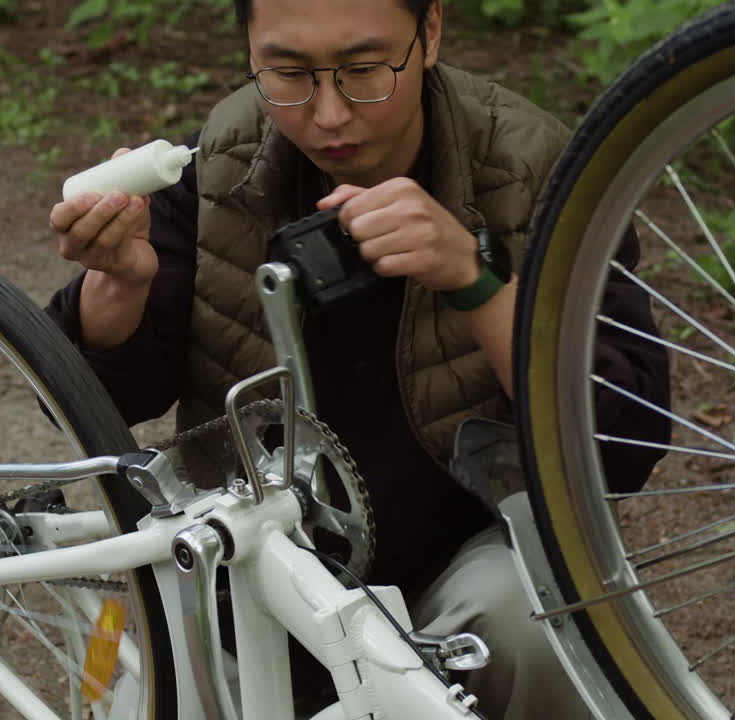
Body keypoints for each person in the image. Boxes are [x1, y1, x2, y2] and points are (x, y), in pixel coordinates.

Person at [45, 0, 670, 716]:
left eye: (364, 70)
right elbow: (89, 404)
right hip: (256, 575)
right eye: (288, 73)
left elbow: (621, 445)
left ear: (429, 31)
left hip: (468, 571)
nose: (330, 114)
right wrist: (119, 282)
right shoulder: (220, 166)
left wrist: (476, 277)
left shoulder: (537, 172)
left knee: (546, 620)